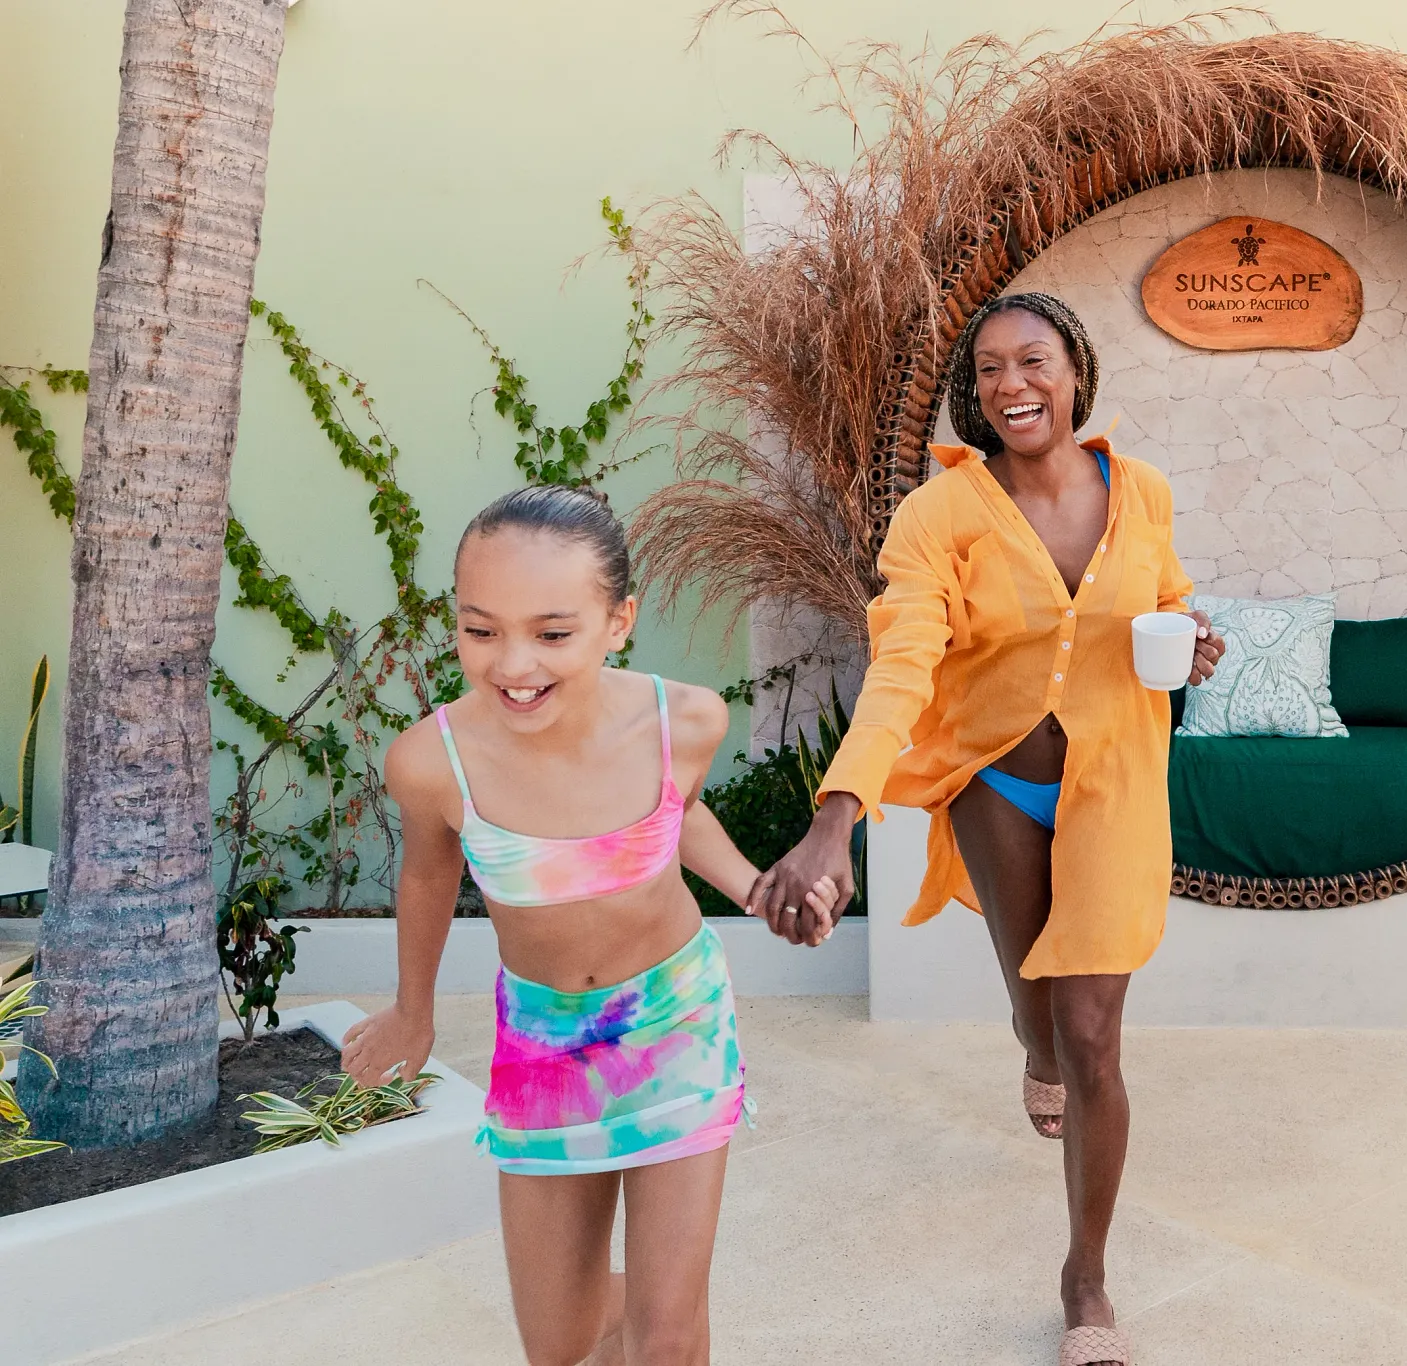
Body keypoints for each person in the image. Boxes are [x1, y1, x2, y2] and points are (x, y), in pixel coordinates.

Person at [753, 292, 1223, 1366]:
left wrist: (1192, 641)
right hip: (994, 784)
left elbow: (1172, 600)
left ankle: (1085, 1280)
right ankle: (1030, 1046)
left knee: (1095, 1036)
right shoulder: (941, 513)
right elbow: (902, 666)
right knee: (1041, 1019)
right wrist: (838, 822)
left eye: (1033, 362)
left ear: (1075, 370)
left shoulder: (1139, 491)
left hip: (1116, 781)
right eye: (991, 370)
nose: (1011, 385)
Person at [339, 484, 836, 1366]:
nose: (512, 664)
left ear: (619, 621)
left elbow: (670, 813)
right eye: (480, 629)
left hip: (676, 1021)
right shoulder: (431, 762)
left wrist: (754, 888)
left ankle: (665, 1318)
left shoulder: (684, 720)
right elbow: (426, 875)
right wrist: (410, 1014)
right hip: (542, 1047)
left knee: (666, 1338)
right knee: (560, 1342)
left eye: (552, 633)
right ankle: (652, 1305)